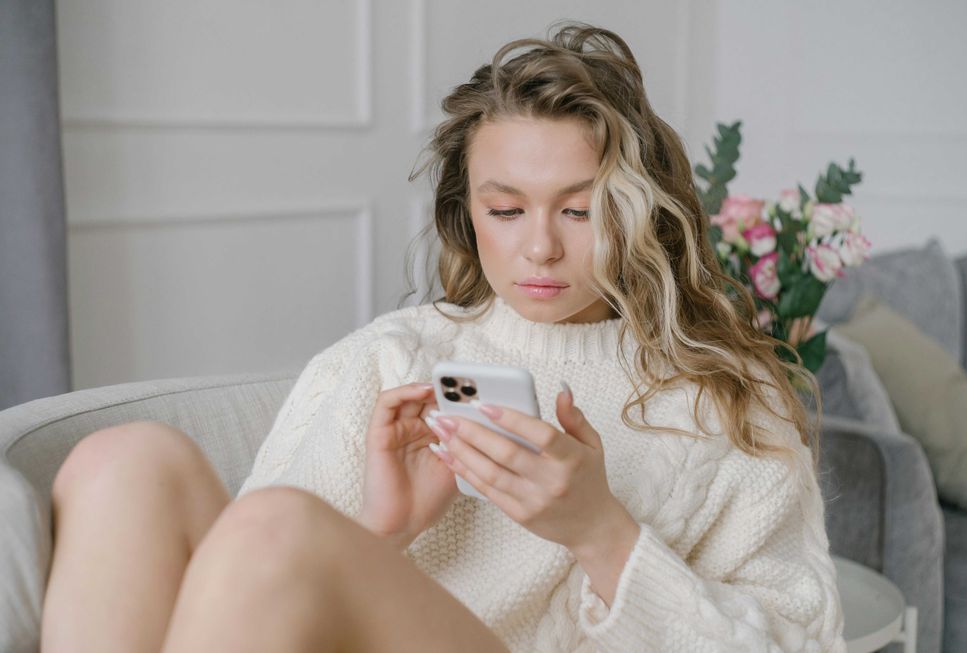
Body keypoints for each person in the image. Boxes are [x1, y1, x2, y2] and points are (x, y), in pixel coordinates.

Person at [41, 21, 847, 653]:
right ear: (469, 215)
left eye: (579, 210)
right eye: (506, 210)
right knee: (124, 462)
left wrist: (601, 532)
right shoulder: (392, 358)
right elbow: (239, 601)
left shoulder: (726, 400)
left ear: (640, 211)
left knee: (276, 529)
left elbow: (798, 639)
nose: (539, 248)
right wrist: (386, 528)